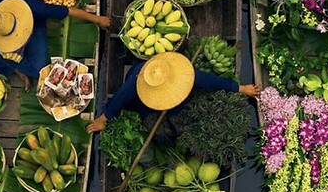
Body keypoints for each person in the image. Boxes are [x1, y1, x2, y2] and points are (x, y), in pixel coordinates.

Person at [86, 52, 259, 134]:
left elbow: (211, 81)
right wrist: (102, 120)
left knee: (183, 118)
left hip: (178, 103)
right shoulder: (136, 82)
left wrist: (241, 88)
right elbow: (119, 99)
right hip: (144, 105)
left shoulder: (184, 75)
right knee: (160, 133)